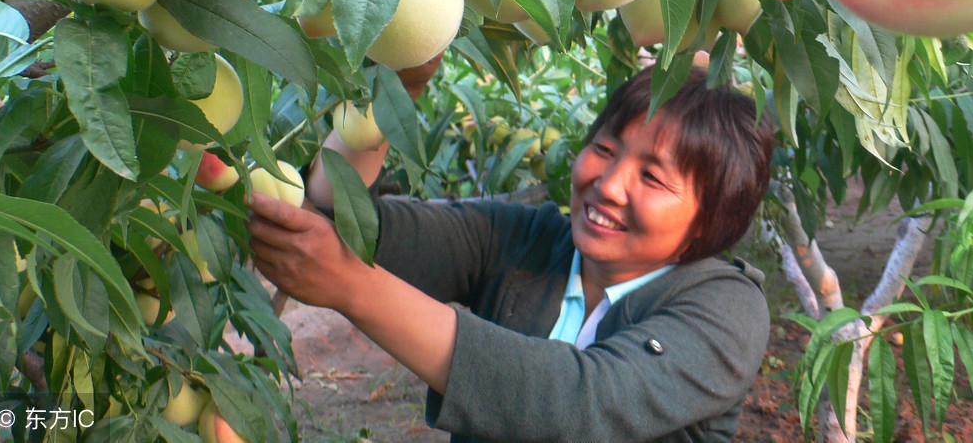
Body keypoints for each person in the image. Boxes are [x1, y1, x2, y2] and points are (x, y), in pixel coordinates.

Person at [247, 64, 775, 443]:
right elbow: (343, 221)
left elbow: (580, 403)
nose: (608, 185)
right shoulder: (526, 242)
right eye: (605, 150)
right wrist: (395, 85)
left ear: (712, 219)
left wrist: (353, 286)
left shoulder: (726, 309)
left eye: (653, 178)